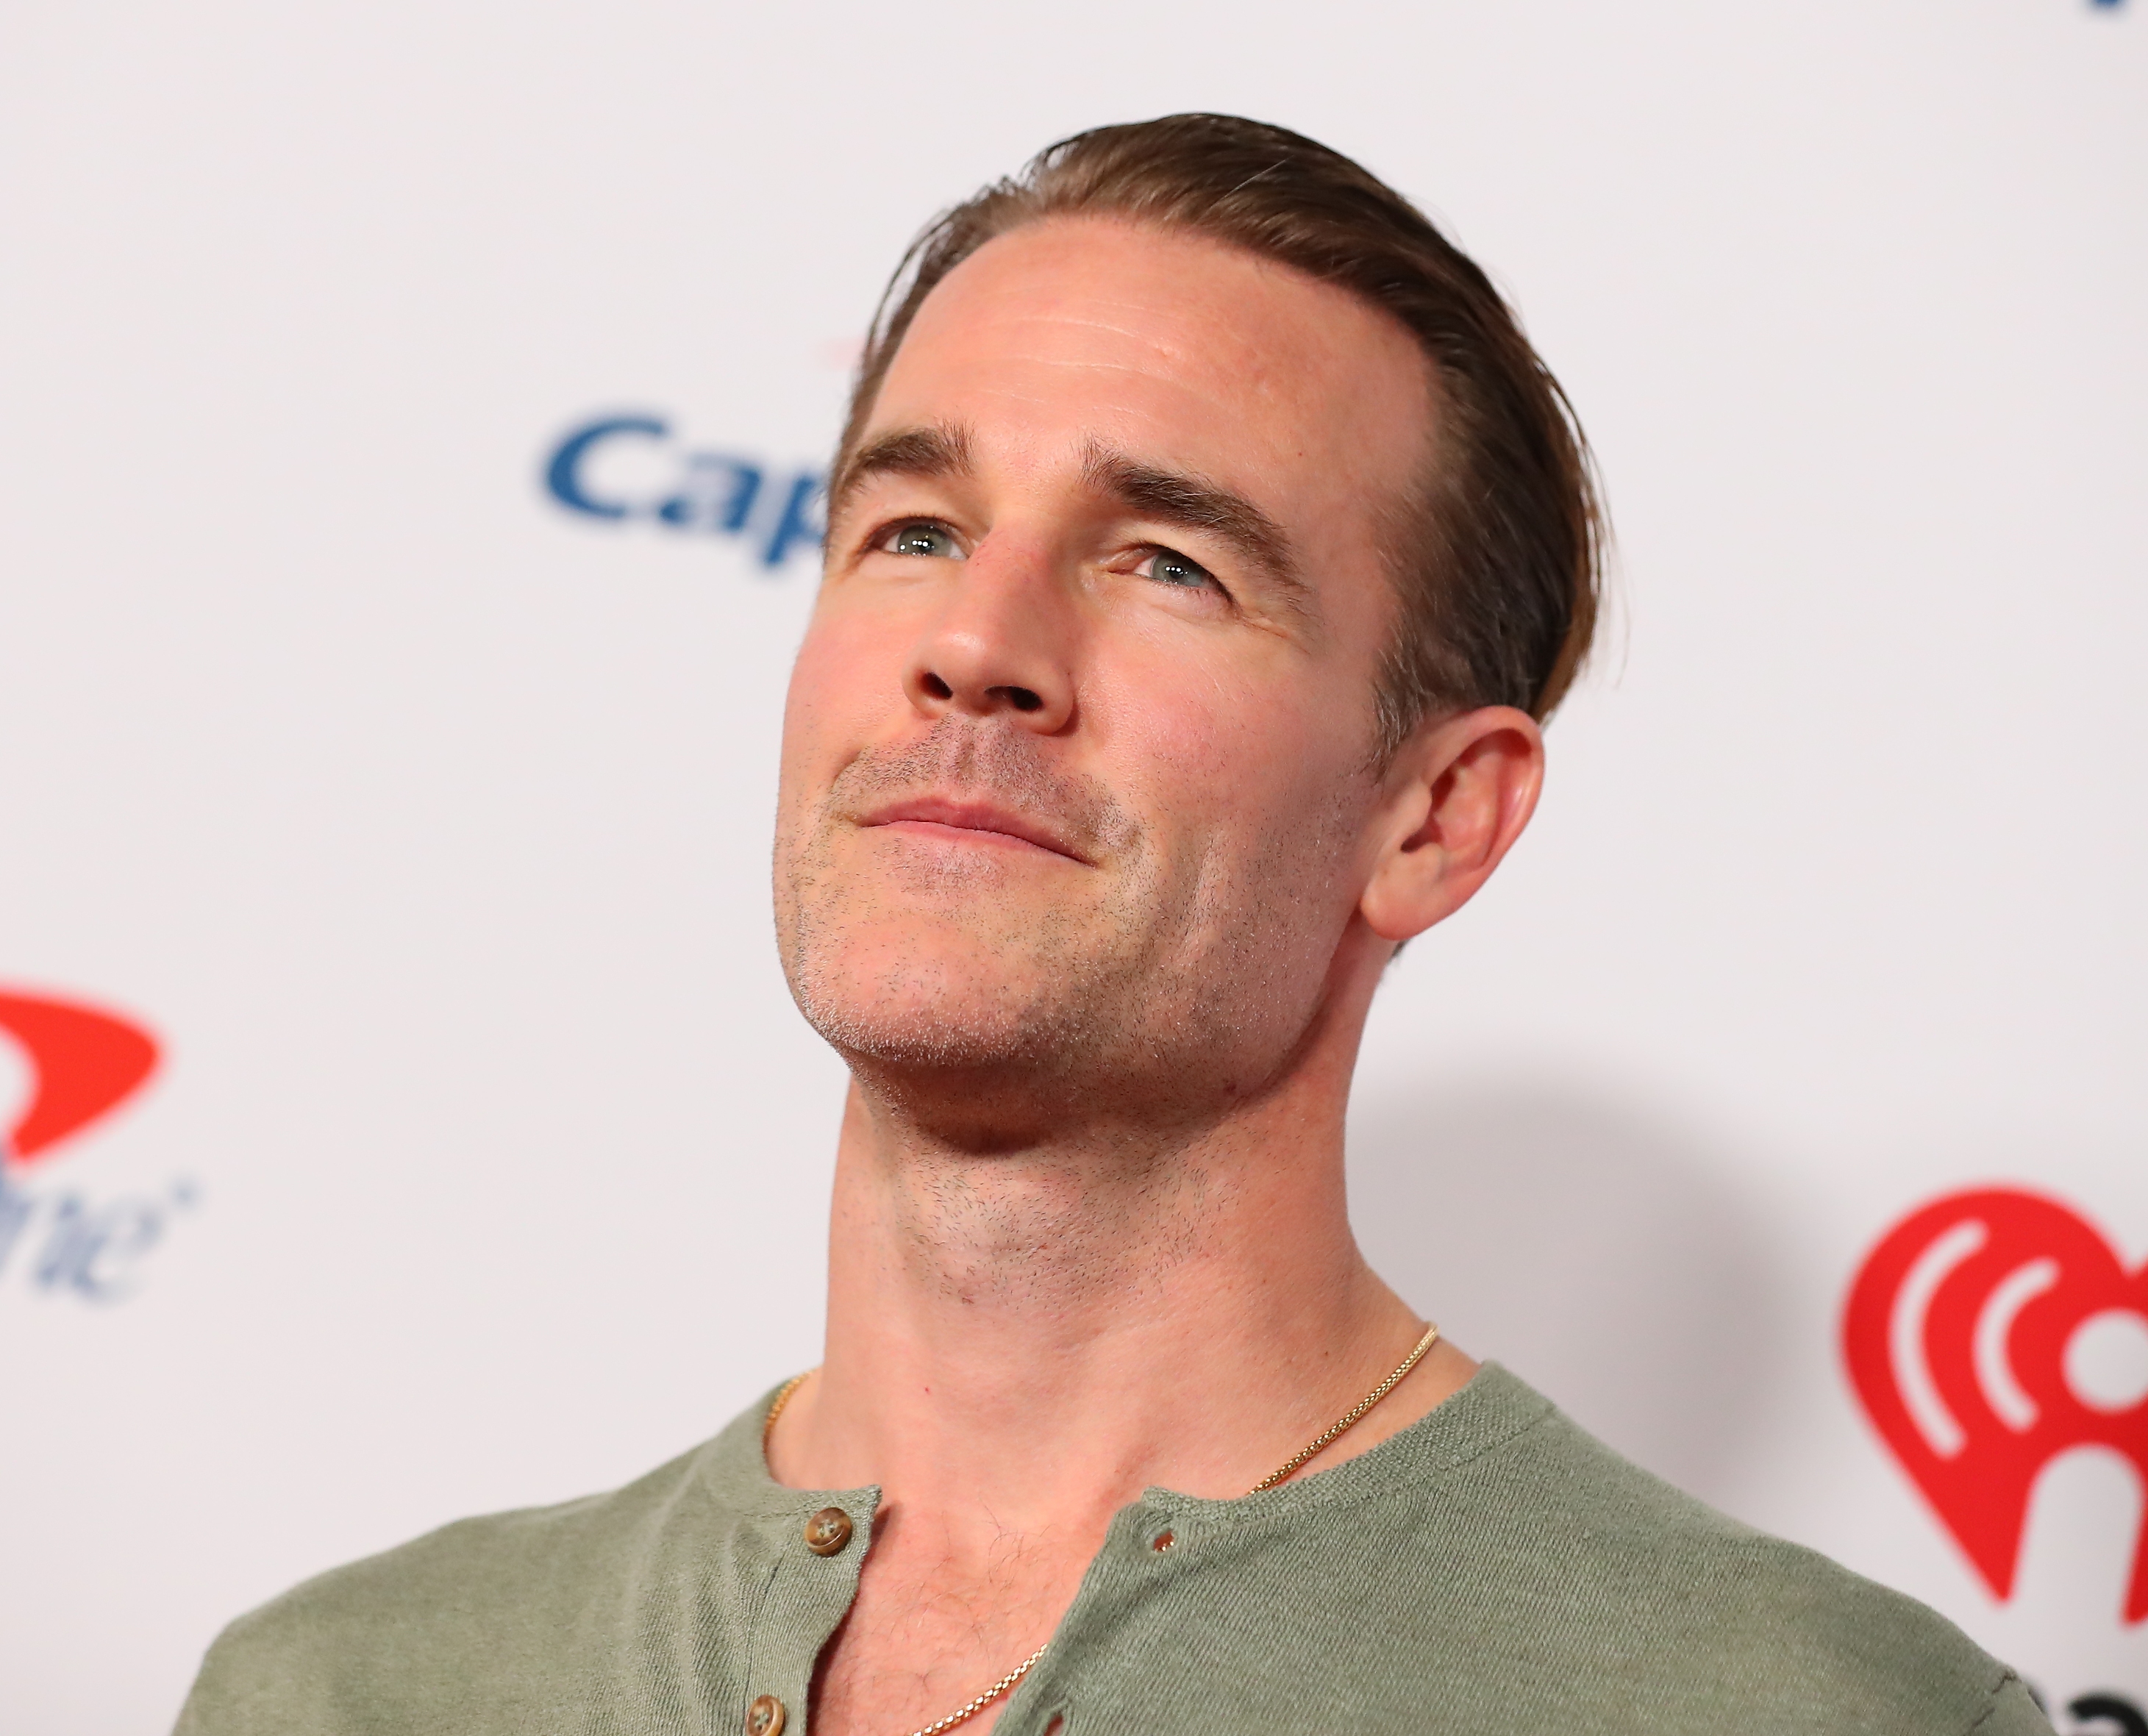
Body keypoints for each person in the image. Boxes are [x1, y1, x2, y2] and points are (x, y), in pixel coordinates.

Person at [175, 114, 2051, 1736]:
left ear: (1431, 817)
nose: (972, 644)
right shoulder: (346, 1690)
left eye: (1169, 562)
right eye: (914, 529)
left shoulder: (1800, 1708)